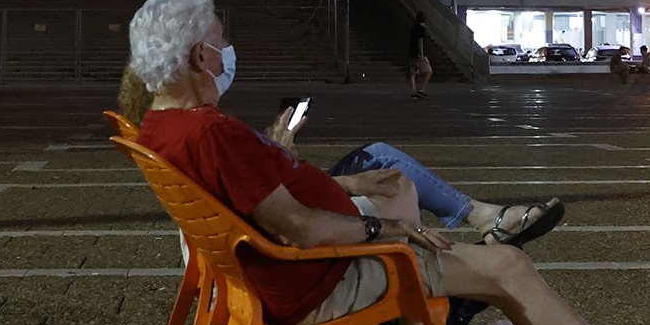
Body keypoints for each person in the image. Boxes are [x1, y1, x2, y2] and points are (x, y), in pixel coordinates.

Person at [128, 0, 650, 325]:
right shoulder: (210, 133)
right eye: (221, 38)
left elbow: (279, 203)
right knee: (507, 267)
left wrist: (354, 190)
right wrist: (386, 230)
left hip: (274, 273)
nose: (229, 48)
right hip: (317, 277)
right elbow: (301, 226)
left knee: (401, 191)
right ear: (199, 56)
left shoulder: (162, 125)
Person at [116, 65, 564, 249]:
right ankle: (476, 225)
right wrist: (288, 154)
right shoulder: (202, 131)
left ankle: (481, 216)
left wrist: (276, 146)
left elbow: (251, 179)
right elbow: (278, 207)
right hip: (290, 220)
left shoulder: (171, 127)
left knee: (377, 156)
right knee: (391, 176)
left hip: (276, 196)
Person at [408, 10, 433, 100]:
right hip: (418, 54)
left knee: (412, 72)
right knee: (429, 71)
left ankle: (413, 90)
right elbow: (420, 41)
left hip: (411, 52)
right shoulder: (421, 29)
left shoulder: (413, 27)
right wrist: (422, 54)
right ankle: (421, 89)